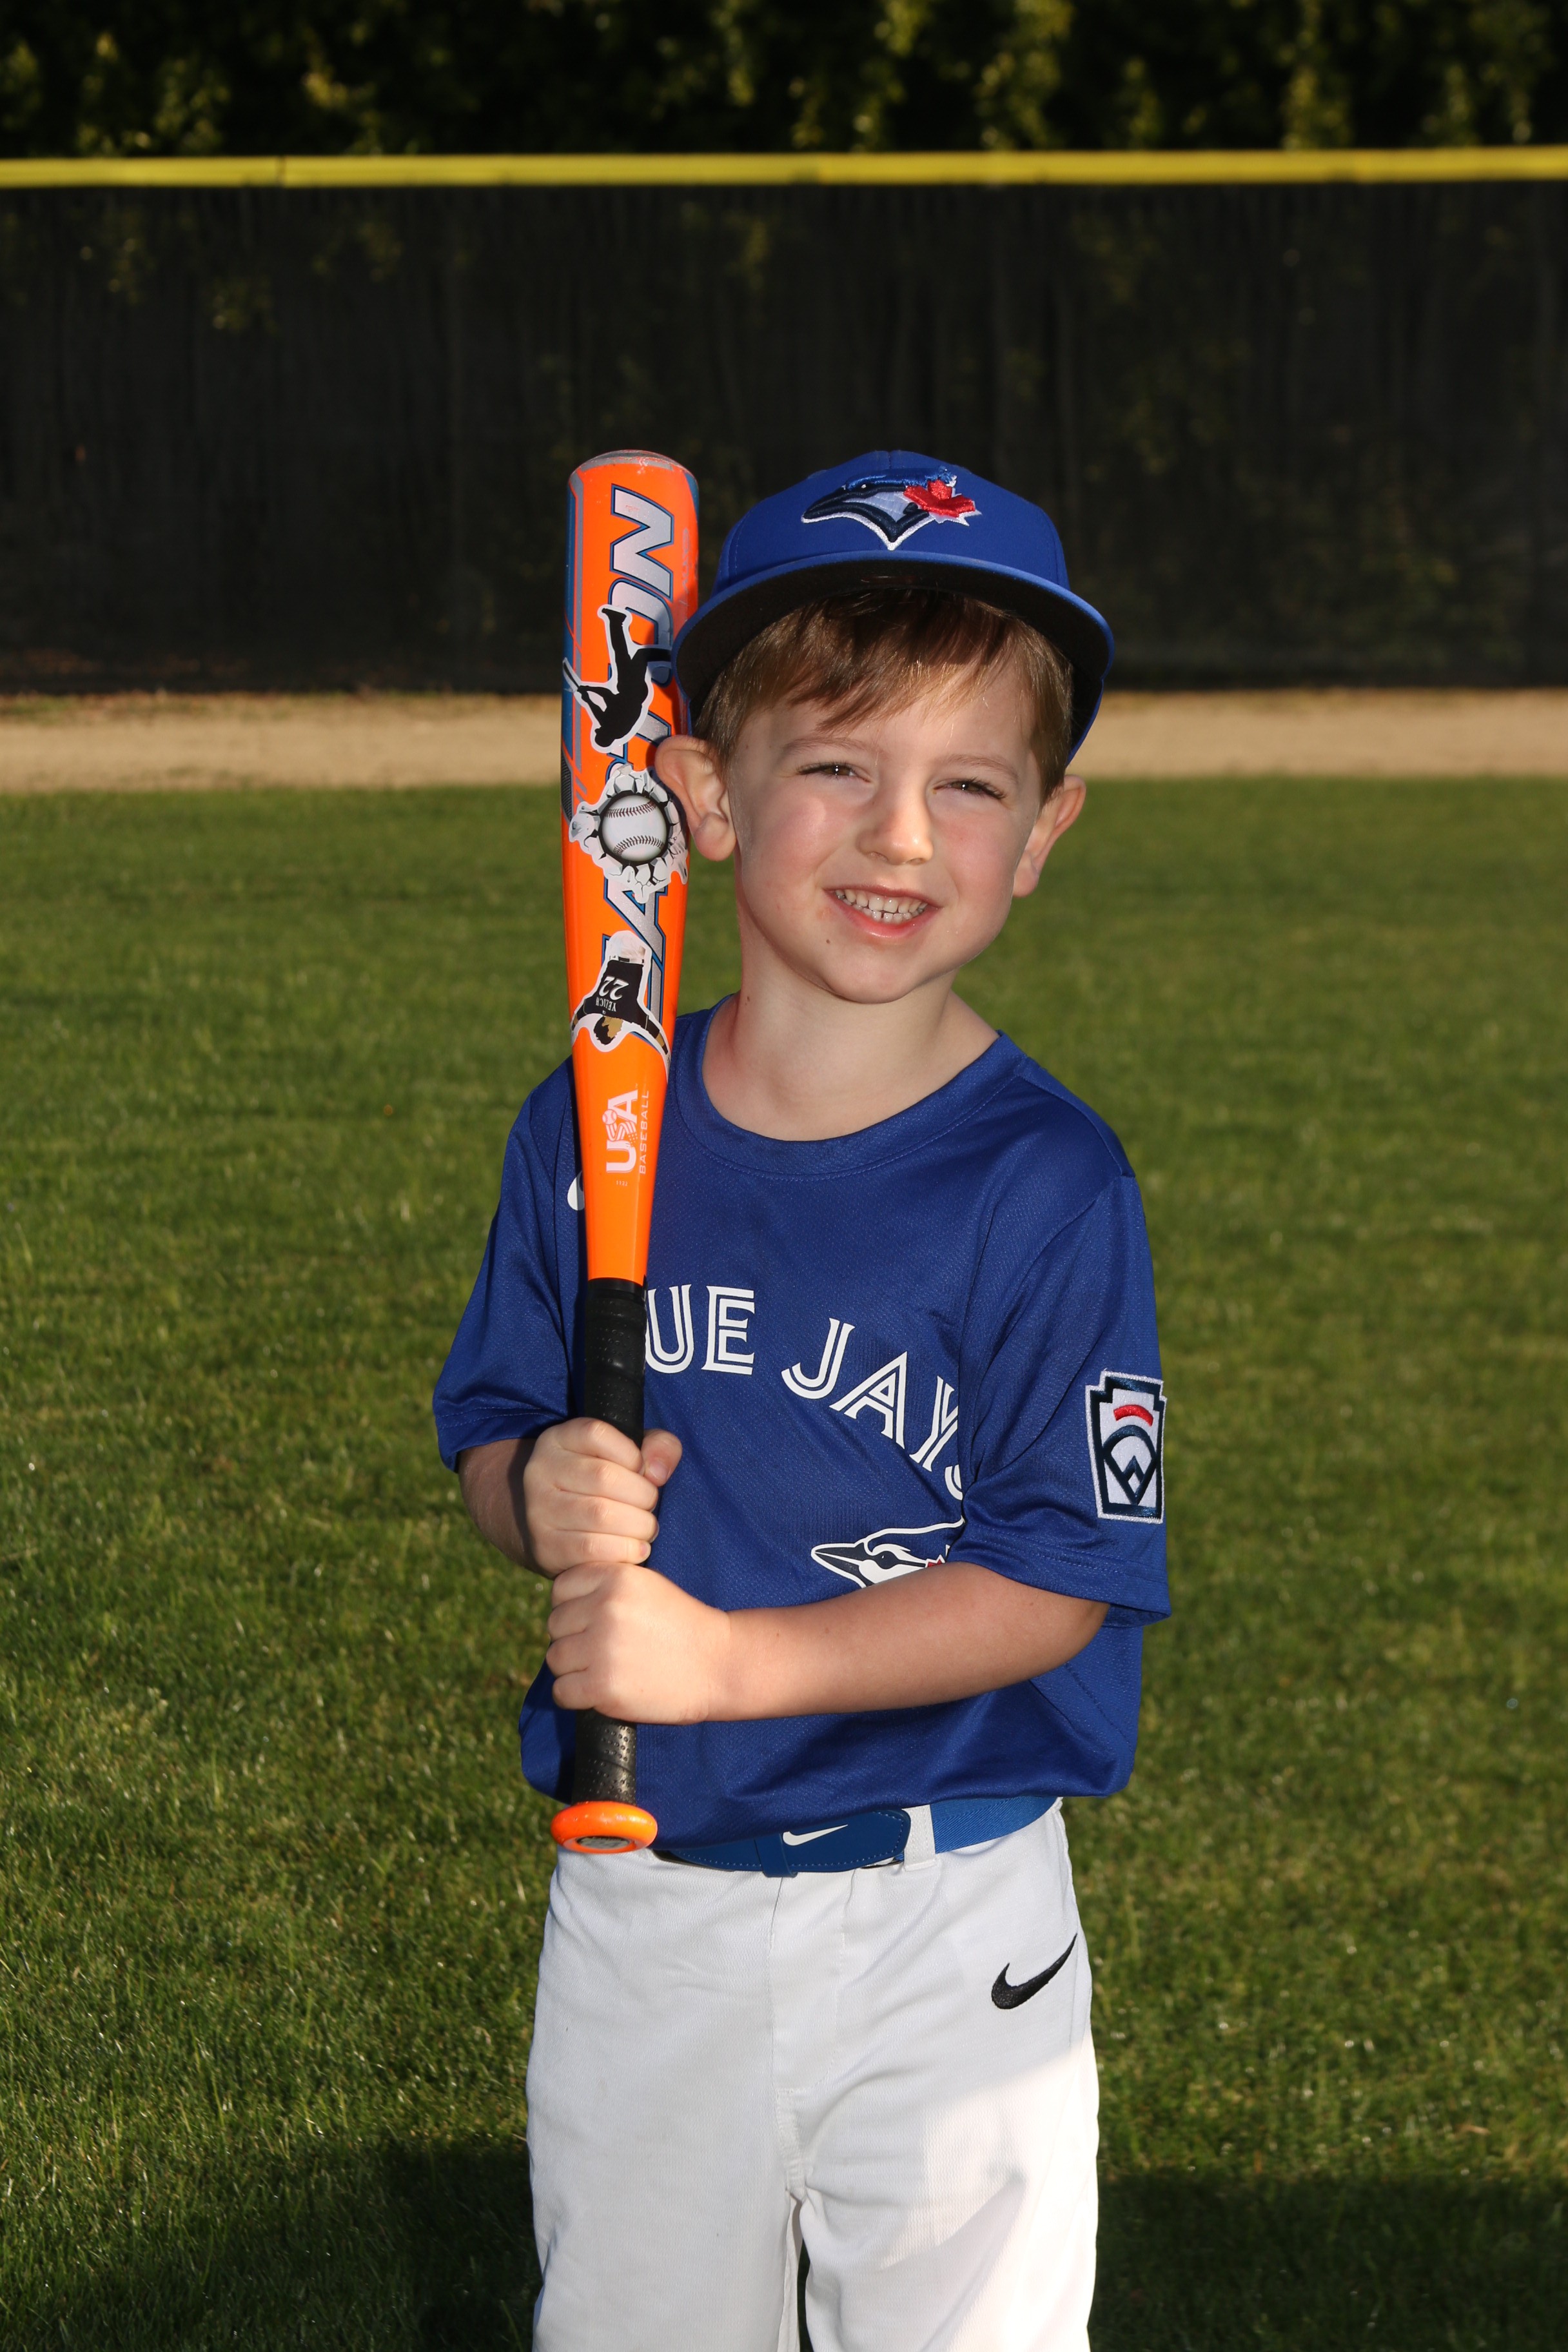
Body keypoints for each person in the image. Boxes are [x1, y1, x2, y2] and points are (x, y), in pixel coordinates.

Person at [433, 451, 1170, 2352]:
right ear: (699, 794)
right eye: (838, 764)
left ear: (1046, 830)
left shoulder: (1045, 1184)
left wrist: (726, 1664)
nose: (899, 835)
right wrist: (538, 1492)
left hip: (952, 1920)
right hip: (648, 1902)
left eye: (971, 786)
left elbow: (1056, 1581)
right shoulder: (586, 1133)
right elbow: (497, 1432)